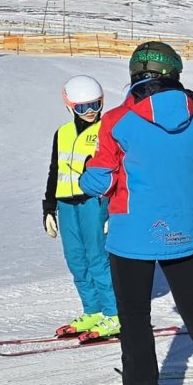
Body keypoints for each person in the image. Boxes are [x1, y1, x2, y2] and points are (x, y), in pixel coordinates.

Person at [79, 41, 193, 385]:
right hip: (186, 228)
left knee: (135, 316)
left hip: (132, 232)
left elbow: (100, 181)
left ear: (136, 75)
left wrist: (87, 171)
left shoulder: (117, 121)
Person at [43, 75, 118, 341]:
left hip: (94, 202)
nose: (90, 112)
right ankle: (93, 310)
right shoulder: (62, 133)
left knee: (98, 258)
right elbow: (55, 170)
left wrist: (113, 209)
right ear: (70, 105)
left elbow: (118, 170)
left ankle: (114, 313)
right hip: (66, 203)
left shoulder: (107, 130)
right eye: (82, 107)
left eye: (95, 105)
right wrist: (48, 207)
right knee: (76, 259)